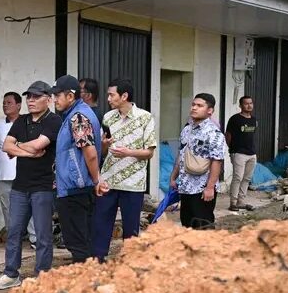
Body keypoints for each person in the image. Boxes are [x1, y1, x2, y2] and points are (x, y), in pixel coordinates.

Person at [0, 81, 62, 290]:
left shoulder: (53, 121)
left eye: (36, 97)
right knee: (14, 232)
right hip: (20, 186)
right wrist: (28, 151)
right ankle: (11, 274)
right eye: (29, 97)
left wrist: (18, 147)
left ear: (48, 99)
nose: (31, 100)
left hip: (43, 186)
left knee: (42, 235)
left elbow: (39, 145)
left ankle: (42, 276)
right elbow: (6, 146)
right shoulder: (22, 120)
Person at [94, 78, 157, 262]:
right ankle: (98, 260)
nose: (108, 99)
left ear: (124, 96)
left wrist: (128, 152)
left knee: (131, 227)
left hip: (133, 182)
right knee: (101, 223)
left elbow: (149, 152)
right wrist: (104, 145)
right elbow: (102, 151)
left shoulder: (145, 117)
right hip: (108, 180)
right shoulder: (108, 117)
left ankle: (131, 262)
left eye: (111, 95)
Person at [51, 75, 108, 264]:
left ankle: (86, 278)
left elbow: (90, 153)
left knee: (78, 243)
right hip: (78, 186)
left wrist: (96, 179)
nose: (54, 100)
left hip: (76, 188)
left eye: (58, 95)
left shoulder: (78, 117)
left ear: (70, 96)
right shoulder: (78, 114)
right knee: (84, 240)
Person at [170, 93, 226, 229]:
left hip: (202, 188)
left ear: (210, 111)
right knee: (187, 224)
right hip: (185, 186)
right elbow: (181, 154)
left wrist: (210, 188)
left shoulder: (214, 133)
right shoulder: (187, 130)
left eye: (199, 105)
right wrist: (173, 177)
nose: (194, 108)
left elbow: (217, 161)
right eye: (193, 104)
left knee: (202, 225)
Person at [0, 91, 37, 247]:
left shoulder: (28, 122)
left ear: (19, 105)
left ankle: (34, 238)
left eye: (9, 103)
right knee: (8, 208)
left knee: (30, 206)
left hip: (24, 172)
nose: (5, 105)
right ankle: (14, 239)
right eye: (4, 103)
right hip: (3, 173)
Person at [226, 96, 257, 212]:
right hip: (238, 153)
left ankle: (241, 202)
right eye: (246, 103)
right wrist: (232, 149)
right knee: (237, 177)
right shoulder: (235, 119)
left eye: (251, 103)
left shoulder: (254, 120)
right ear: (240, 106)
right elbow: (228, 135)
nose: (249, 105)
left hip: (252, 153)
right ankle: (233, 203)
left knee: (247, 178)